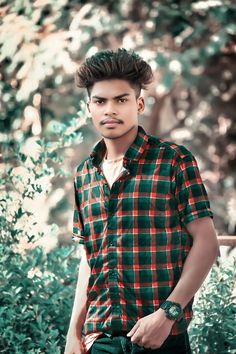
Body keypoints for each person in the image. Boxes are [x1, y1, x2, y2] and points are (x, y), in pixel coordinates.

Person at [64, 48, 219, 354]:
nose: (110, 110)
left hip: (162, 338)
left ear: (139, 103)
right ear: (89, 108)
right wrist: (74, 334)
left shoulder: (173, 161)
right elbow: (89, 257)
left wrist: (166, 315)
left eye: (121, 100)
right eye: (100, 101)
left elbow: (207, 243)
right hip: (100, 340)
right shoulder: (83, 175)